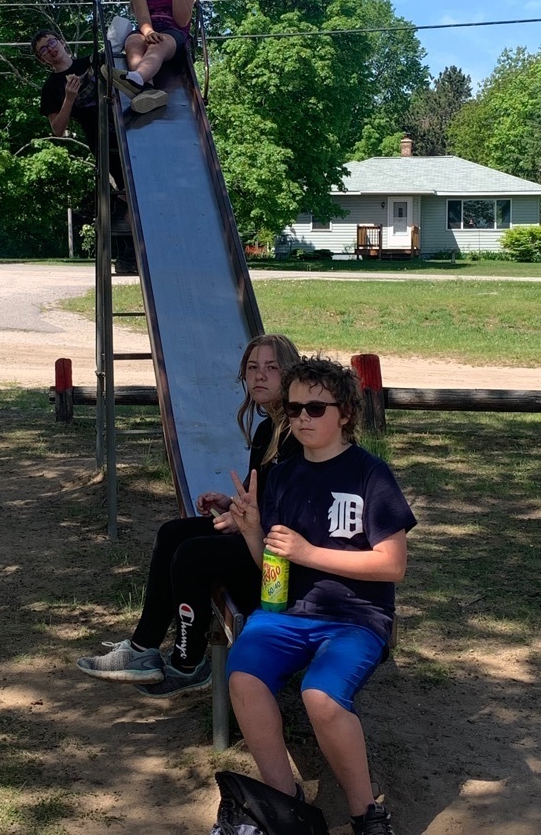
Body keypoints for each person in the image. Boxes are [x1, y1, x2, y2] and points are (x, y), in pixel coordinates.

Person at [226, 356, 417, 835]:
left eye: (316, 408)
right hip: (288, 614)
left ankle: (366, 814)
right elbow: (273, 567)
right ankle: (285, 805)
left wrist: (309, 553)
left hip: (355, 618)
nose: (302, 418)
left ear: (345, 413)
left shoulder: (370, 475)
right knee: (243, 676)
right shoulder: (284, 474)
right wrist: (253, 533)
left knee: (322, 697)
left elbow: (392, 565)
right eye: (293, 410)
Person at [76, 334, 302, 697]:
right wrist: (231, 505)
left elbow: (290, 509)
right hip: (255, 533)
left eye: (272, 368)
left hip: (277, 554)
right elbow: (260, 494)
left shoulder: (297, 434)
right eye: (252, 368)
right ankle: (143, 648)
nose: (260, 376)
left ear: (291, 374)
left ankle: (188, 663)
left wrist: (247, 520)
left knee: (192, 555)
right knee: (172, 533)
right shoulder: (266, 428)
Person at [30, 28, 137, 275]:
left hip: (130, 128)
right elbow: (58, 129)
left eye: (51, 42)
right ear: (42, 59)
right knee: (128, 191)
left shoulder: (91, 61)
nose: (50, 49)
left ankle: (130, 252)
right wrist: (69, 98)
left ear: (62, 41)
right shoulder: (51, 87)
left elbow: (120, 37)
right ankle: (128, 255)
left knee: (135, 191)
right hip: (102, 141)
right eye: (43, 50)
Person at [103, 0, 195, 115]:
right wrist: (148, 32)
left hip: (174, 32)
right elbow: (143, 17)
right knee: (133, 41)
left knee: (157, 45)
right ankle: (148, 90)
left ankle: (136, 78)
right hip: (149, 28)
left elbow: (183, 19)